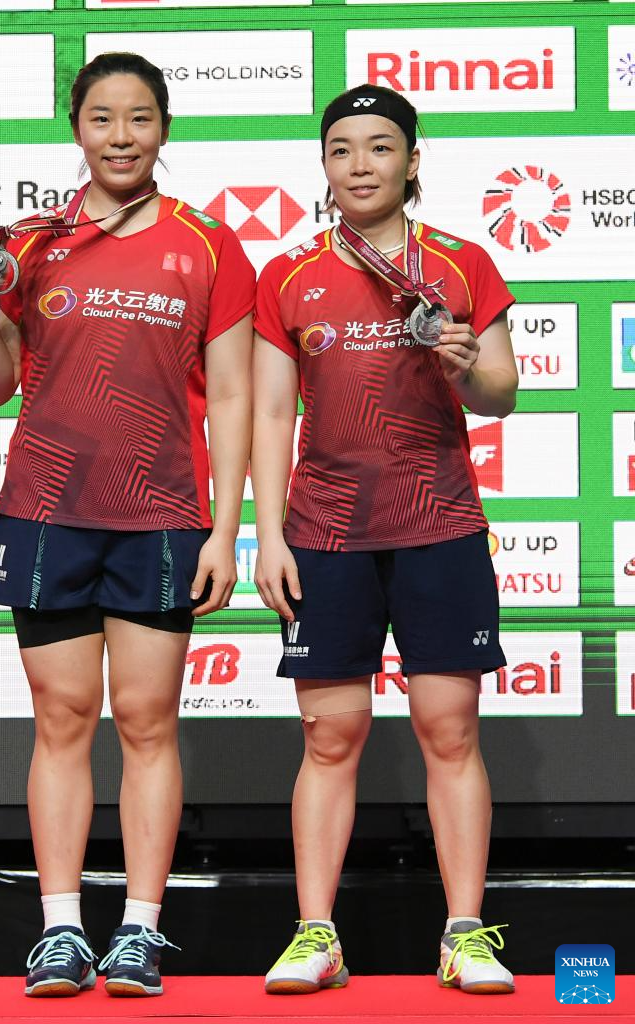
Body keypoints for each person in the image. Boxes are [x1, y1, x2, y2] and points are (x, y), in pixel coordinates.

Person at [0, 52, 254, 998]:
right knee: (61, 718)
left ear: (164, 128)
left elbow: (235, 398)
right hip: (46, 510)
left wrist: (227, 530)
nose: (121, 137)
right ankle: (58, 930)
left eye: (139, 118)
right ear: (76, 128)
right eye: (101, 118)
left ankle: (138, 930)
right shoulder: (29, 244)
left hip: (161, 514)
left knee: (146, 720)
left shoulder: (211, 245)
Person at [252, 83, 518, 996]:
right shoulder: (288, 274)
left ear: (411, 161)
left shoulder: (461, 264)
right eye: (341, 150)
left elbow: (501, 394)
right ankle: (316, 935)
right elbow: (271, 413)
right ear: (323, 167)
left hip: (440, 525)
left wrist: (467, 366)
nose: (359, 165)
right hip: (325, 534)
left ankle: (465, 934)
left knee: (450, 730)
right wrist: (267, 536)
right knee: (330, 738)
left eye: (378, 147)